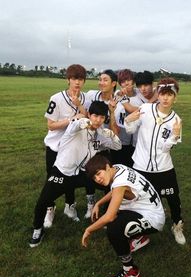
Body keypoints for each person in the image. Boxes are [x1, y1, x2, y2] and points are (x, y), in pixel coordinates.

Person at [29, 101, 122, 248]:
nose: (98, 120)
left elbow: (118, 146)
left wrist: (110, 134)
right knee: (43, 201)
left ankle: (108, 216)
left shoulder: (99, 134)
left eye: (102, 117)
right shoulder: (76, 127)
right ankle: (37, 229)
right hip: (62, 172)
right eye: (95, 116)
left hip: (81, 174)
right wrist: (84, 121)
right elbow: (77, 124)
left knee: (110, 183)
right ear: (90, 115)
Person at [82, 155, 165, 277]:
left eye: (98, 173)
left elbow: (109, 216)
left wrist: (89, 229)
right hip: (148, 209)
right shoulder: (118, 168)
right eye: (94, 178)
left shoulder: (119, 181)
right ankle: (139, 238)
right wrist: (99, 202)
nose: (97, 179)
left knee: (114, 228)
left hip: (154, 219)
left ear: (107, 167)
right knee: (116, 213)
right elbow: (116, 191)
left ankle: (131, 273)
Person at [124, 77, 186, 245]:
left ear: (175, 97)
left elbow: (166, 149)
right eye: (163, 94)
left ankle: (176, 225)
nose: (165, 98)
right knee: (137, 199)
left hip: (164, 168)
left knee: (173, 199)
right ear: (157, 94)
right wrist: (128, 120)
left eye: (170, 95)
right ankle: (138, 232)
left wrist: (174, 135)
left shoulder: (176, 120)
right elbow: (130, 130)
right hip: (141, 166)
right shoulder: (145, 109)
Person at [43, 64, 87, 227]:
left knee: (70, 178)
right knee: (51, 180)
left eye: (81, 79)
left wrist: (80, 106)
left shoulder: (85, 98)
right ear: (68, 79)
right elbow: (51, 125)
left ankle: (70, 206)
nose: (77, 82)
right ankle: (50, 208)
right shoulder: (57, 98)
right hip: (55, 147)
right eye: (74, 78)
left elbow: (87, 116)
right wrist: (72, 119)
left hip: (72, 148)